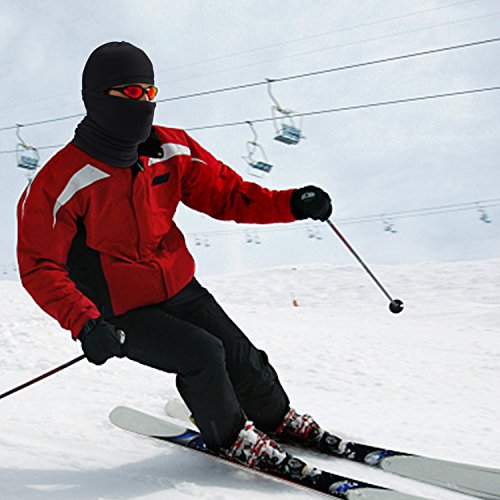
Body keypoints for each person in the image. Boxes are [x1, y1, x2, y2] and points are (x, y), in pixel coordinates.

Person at [17, 41, 334, 473]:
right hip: (120, 309)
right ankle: (231, 438)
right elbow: (39, 265)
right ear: (97, 96)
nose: (145, 102)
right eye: (132, 92)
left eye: (150, 92)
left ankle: (276, 417)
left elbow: (229, 195)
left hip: (178, 284)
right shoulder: (62, 179)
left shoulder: (171, 148)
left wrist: (291, 203)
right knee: (203, 354)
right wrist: (85, 322)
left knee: (240, 355)